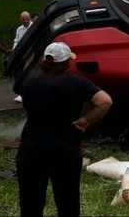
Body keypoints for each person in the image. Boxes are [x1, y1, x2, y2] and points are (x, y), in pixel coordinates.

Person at [17, 42, 112, 217]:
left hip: (31, 148)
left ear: (45, 60)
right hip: (65, 149)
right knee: (67, 201)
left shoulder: (28, 80)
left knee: (30, 201)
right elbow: (105, 101)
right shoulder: (77, 83)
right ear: (67, 62)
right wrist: (85, 120)